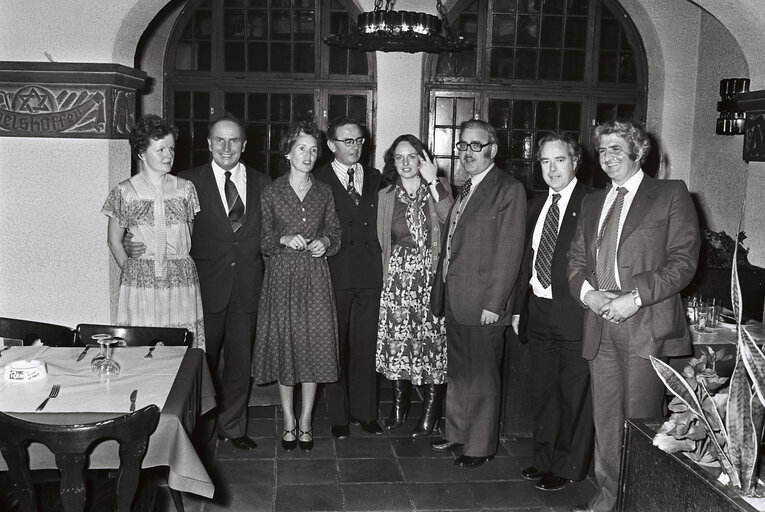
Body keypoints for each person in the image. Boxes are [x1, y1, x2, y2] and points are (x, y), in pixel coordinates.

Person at [567, 119, 700, 512]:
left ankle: (640, 502)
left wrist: (635, 297)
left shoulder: (670, 194)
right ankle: (607, 499)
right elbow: (576, 261)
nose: (607, 158)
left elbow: (683, 263)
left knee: (640, 425)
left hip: (646, 326)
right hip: (600, 325)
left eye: (616, 149)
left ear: (638, 152)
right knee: (606, 423)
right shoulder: (593, 201)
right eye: (602, 150)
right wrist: (589, 296)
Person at [124, 112, 270, 451]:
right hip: (200, 289)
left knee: (239, 363)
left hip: (248, 287)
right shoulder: (186, 183)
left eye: (234, 140)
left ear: (244, 144)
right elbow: (158, 223)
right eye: (219, 139)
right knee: (198, 364)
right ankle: (195, 430)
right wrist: (133, 242)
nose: (227, 147)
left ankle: (232, 426)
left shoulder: (264, 183)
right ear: (209, 143)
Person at [429, 119, 526, 468]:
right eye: (463, 145)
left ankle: (480, 446)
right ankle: (457, 433)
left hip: (485, 301)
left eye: (476, 146)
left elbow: (509, 252)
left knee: (483, 375)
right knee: (459, 371)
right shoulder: (467, 187)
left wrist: (494, 302)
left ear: (492, 150)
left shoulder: (508, 189)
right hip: (456, 297)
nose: (467, 152)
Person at [511, 133, 593, 492]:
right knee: (543, 391)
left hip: (573, 313)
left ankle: (568, 465)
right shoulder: (536, 204)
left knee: (571, 395)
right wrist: (518, 310)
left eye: (559, 160)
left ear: (575, 162)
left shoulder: (592, 201)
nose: (552, 168)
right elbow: (526, 262)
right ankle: (543, 459)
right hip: (539, 310)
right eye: (545, 161)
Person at [253, 120, 342, 452]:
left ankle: (306, 421)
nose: (308, 154)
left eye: (313, 149)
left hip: (316, 277)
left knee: (314, 349)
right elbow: (262, 239)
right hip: (283, 277)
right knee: (287, 348)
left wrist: (325, 241)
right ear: (288, 152)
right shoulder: (272, 191)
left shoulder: (324, 192)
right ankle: (288, 420)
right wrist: (282, 237)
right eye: (301, 148)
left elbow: (335, 231)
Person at [103, 114, 205, 349]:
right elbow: (114, 241)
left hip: (181, 278)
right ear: (141, 152)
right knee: (143, 346)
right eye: (160, 150)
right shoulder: (124, 192)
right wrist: (133, 271)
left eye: (171, 149)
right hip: (140, 283)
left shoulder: (185, 189)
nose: (168, 155)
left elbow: (188, 234)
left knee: (181, 345)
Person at [375, 134, 453, 436]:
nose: (406, 163)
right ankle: (399, 411)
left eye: (412, 156)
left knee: (431, 344)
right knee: (398, 344)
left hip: (430, 277)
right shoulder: (385, 196)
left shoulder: (439, 189)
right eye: (400, 157)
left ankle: (430, 415)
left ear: (423, 159)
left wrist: (434, 183)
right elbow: (383, 241)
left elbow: (451, 222)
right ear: (393, 162)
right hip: (396, 279)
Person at [314, 116, 384, 438]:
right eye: (347, 141)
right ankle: (339, 417)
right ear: (331, 145)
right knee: (336, 347)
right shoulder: (318, 179)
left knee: (365, 346)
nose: (355, 147)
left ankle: (366, 412)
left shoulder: (375, 177)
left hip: (370, 274)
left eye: (358, 141)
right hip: (334, 273)